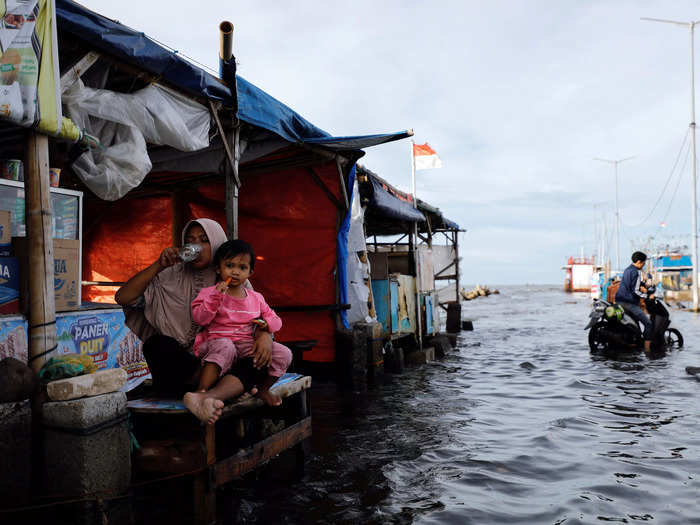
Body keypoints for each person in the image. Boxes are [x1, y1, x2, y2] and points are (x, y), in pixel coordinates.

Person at [115, 219, 274, 424]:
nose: (195, 246)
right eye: (189, 240)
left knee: (258, 359)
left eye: (204, 240)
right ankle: (225, 390)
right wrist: (158, 265)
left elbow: (259, 317)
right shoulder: (168, 275)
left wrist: (264, 335)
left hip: (224, 361)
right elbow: (123, 297)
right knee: (158, 345)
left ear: (216, 244)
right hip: (185, 368)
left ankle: (211, 392)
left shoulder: (236, 279)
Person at [192, 239, 292, 406]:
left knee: (284, 354)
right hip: (215, 343)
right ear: (218, 268)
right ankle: (201, 392)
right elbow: (199, 318)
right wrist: (215, 297)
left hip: (245, 346)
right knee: (226, 345)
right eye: (230, 266)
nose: (235, 272)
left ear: (250, 272)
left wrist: (267, 326)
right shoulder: (209, 293)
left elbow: (276, 320)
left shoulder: (256, 298)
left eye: (242, 267)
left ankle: (263, 389)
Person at [615, 251, 654, 353]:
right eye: (644, 263)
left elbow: (630, 285)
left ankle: (635, 343)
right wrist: (647, 296)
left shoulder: (628, 270)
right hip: (628, 303)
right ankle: (647, 350)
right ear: (639, 262)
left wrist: (642, 285)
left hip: (619, 300)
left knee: (635, 324)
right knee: (648, 324)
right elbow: (635, 291)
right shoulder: (635, 272)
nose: (644, 265)